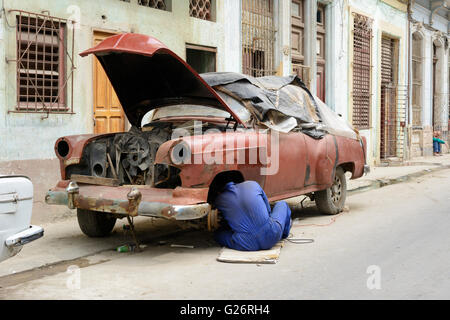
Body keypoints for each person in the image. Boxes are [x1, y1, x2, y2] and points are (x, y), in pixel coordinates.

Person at [212, 180, 292, 251]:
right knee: (282, 204)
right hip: (272, 234)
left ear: (219, 191)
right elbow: (268, 211)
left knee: (218, 235)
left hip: (246, 244)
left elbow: (225, 220)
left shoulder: (219, 200)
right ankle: (283, 234)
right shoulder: (253, 184)